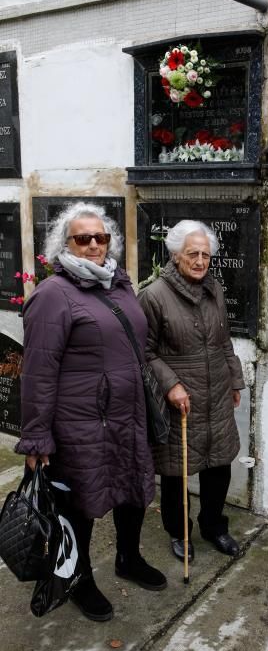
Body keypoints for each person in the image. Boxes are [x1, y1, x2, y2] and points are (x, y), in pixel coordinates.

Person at [15, 201, 166, 623]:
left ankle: (128, 558)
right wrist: (37, 437)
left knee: (132, 490)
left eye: (101, 237)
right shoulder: (51, 295)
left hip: (127, 415)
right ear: (66, 244)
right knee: (80, 504)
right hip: (80, 422)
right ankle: (79, 579)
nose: (95, 245)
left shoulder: (117, 285)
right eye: (84, 238)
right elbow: (38, 372)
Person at [138, 220, 245, 562]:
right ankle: (179, 532)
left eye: (205, 255)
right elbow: (145, 352)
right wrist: (171, 386)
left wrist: (235, 379)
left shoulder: (215, 290)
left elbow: (224, 341)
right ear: (175, 255)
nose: (200, 261)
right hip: (181, 401)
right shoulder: (154, 296)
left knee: (219, 465)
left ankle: (214, 526)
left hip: (216, 394)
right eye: (192, 254)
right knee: (176, 472)